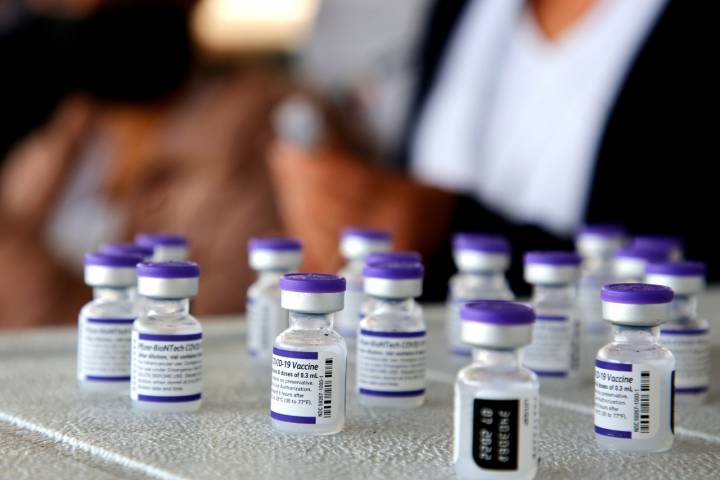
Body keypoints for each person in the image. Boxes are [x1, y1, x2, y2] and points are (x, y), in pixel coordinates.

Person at [268, 0, 717, 298]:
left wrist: (438, 223)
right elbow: (413, 179)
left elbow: (679, 280)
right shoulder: (460, 10)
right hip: (426, 375)